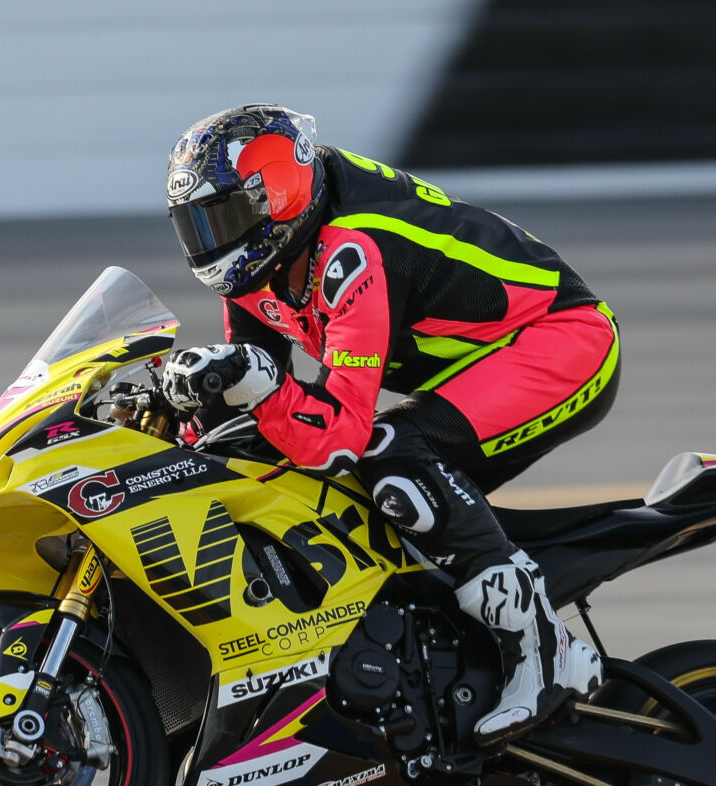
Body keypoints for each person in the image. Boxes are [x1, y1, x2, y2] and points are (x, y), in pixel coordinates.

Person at [159, 104, 618, 739]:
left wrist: (260, 389)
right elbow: (247, 387)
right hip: (466, 365)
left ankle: (543, 648)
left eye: (223, 218)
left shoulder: (353, 248)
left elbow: (340, 428)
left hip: (558, 341)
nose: (211, 242)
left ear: (279, 198)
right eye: (196, 226)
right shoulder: (259, 263)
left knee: (391, 452)